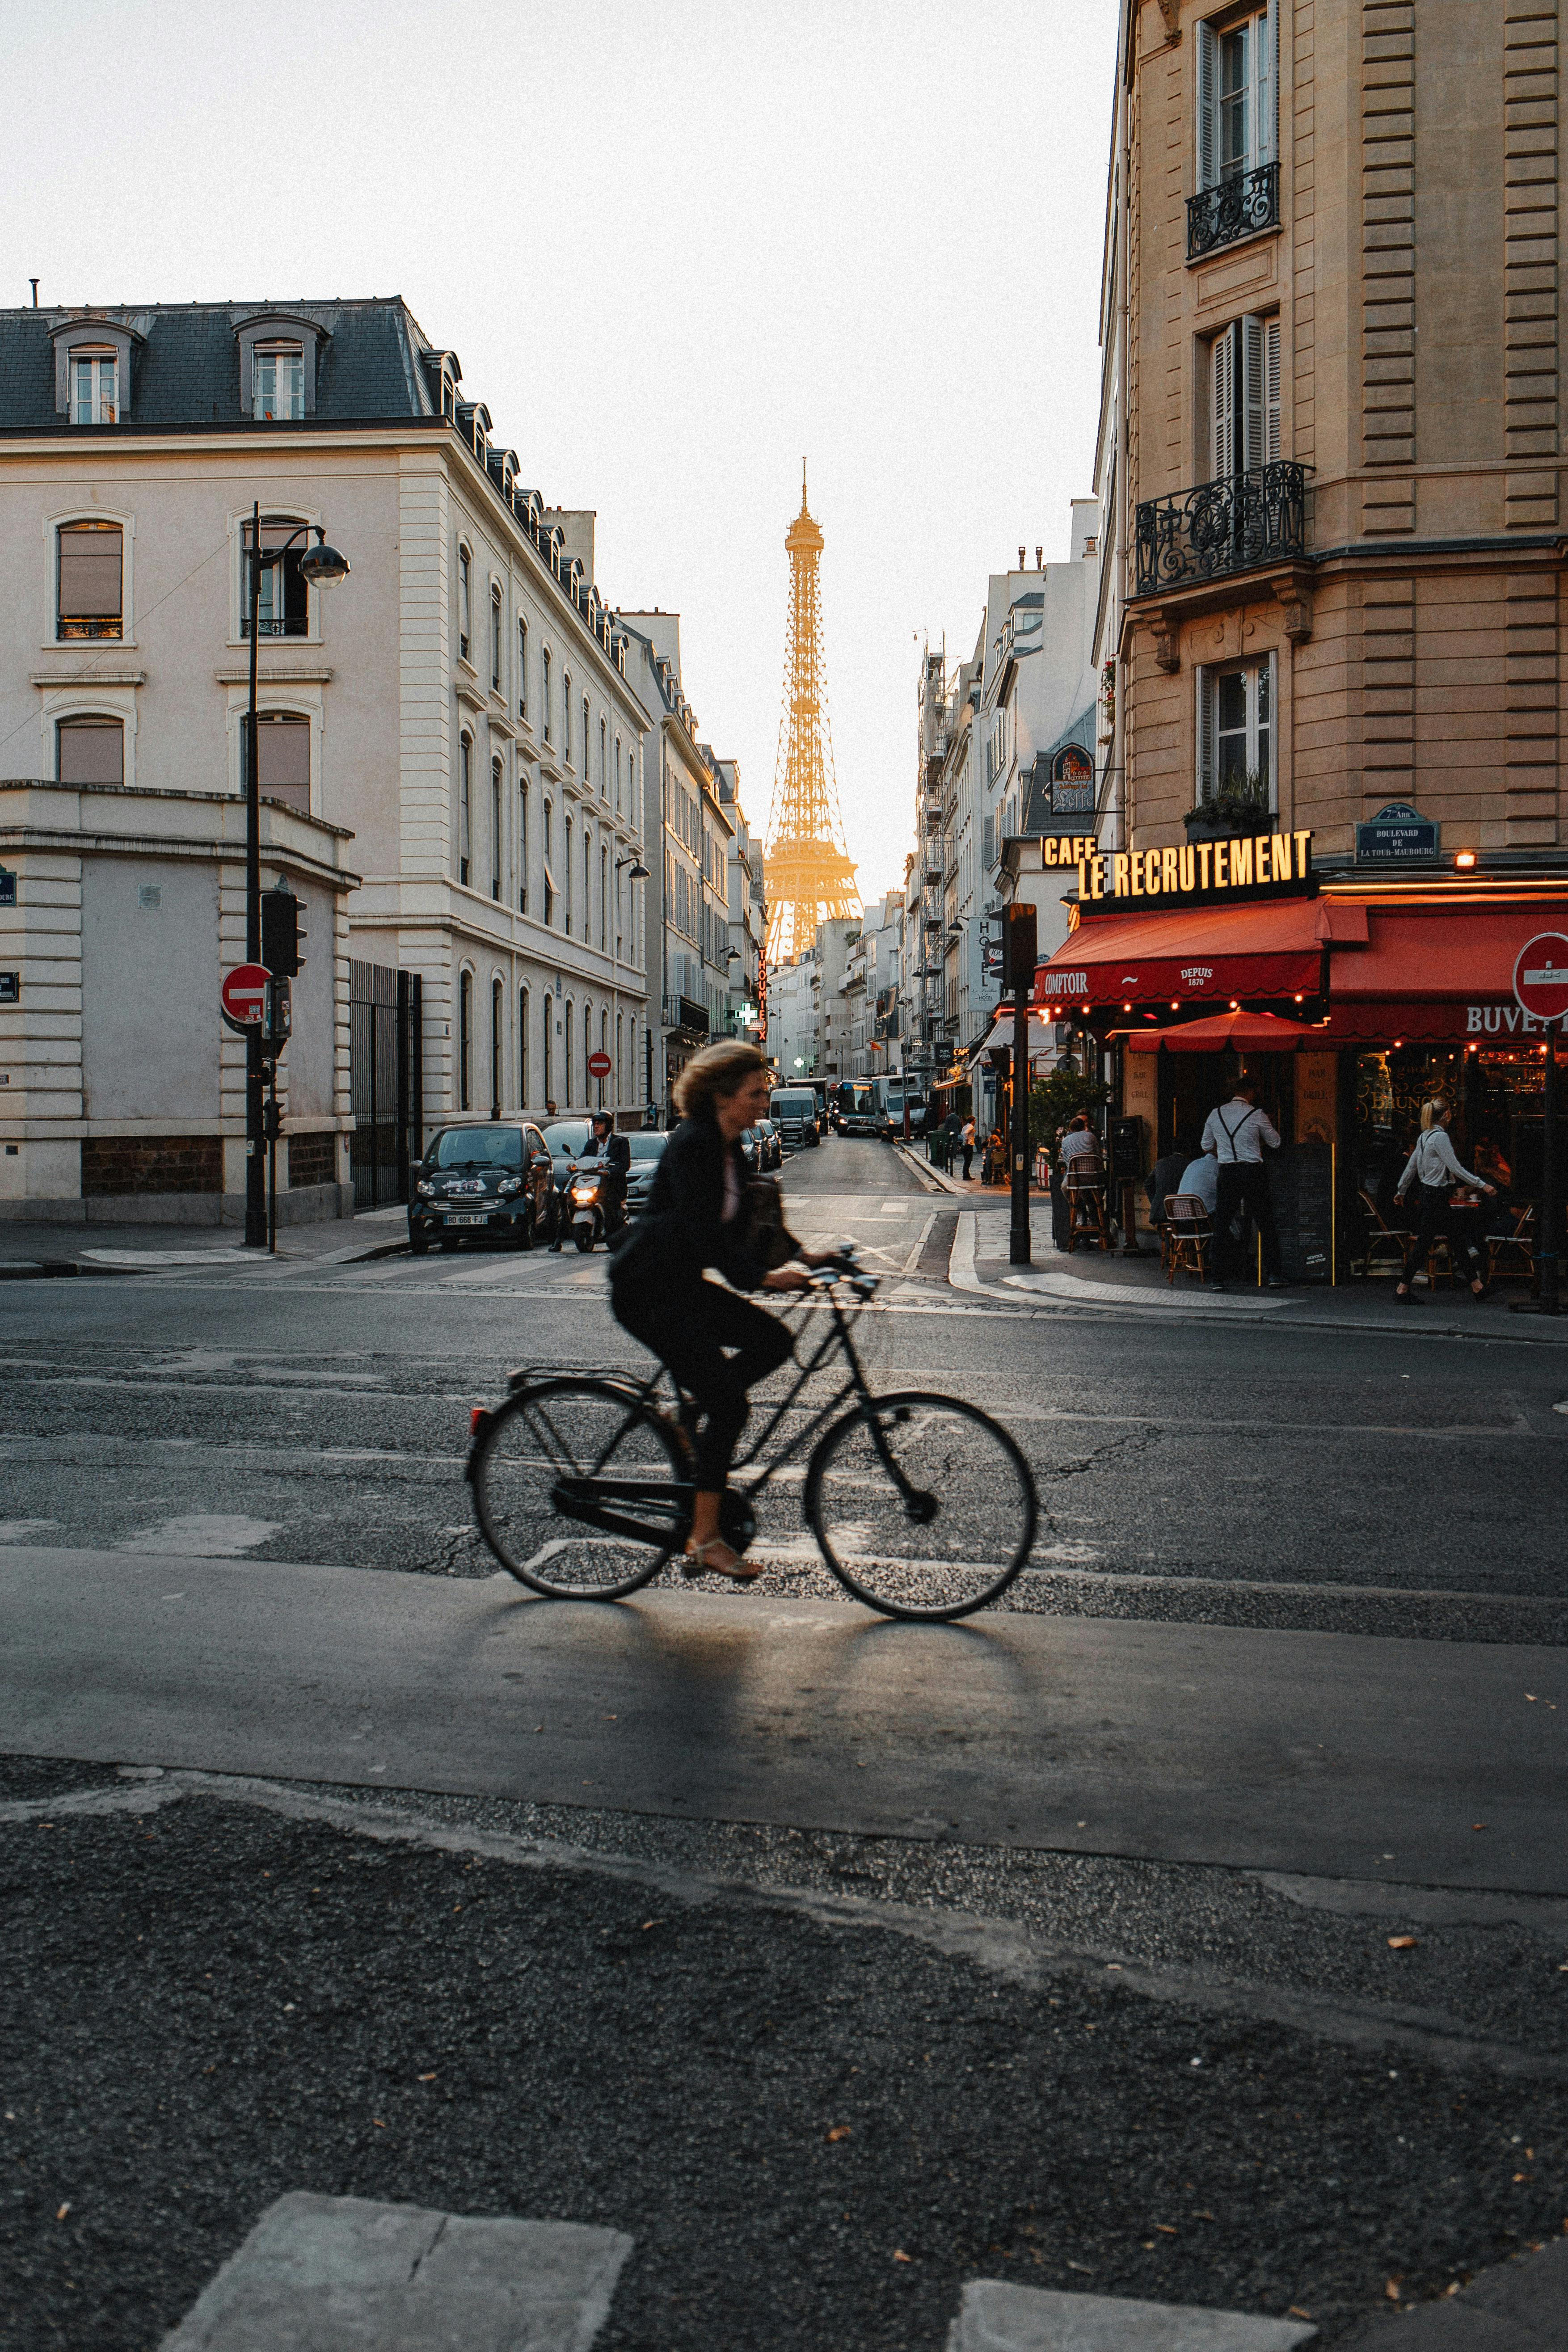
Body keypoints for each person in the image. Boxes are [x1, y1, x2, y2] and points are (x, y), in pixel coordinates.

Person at [610, 1040, 836, 1581]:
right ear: (721, 1095)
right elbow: (704, 1235)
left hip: (682, 1286)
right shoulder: (694, 1145)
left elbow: (758, 1219)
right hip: (649, 1292)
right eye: (756, 1093)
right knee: (730, 1407)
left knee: (774, 1342)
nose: (765, 1102)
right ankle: (705, 1538)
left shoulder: (730, 1145)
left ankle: (689, 1411)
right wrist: (762, 1278)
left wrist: (808, 1256)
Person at [1392, 1099, 1495, 1303]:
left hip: (1429, 1196)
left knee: (1454, 1240)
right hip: (1438, 1197)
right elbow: (1455, 1168)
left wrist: (1401, 1191)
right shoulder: (1440, 1137)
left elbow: (1411, 1167)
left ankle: (1477, 1287)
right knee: (1430, 1244)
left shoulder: (1424, 1137)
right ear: (1446, 1115)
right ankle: (1402, 1290)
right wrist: (1483, 1185)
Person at [1200, 1078, 1283, 1289]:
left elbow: (1206, 1145)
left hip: (1228, 1171)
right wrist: (1256, 1142)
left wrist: (1226, 1152)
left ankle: (1217, 1278)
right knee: (1265, 1222)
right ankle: (1274, 1275)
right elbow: (1276, 1142)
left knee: (1222, 1222)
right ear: (1251, 1093)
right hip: (1253, 1171)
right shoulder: (1257, 1115)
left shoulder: (1215, 1114)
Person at [578, 1110, 630, 1241]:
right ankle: (559, 1238)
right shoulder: (591, 1144)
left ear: (609, 1126)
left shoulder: (620, 1142)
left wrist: (609, 1172)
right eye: (595, 1124)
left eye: (600, 1124)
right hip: (592, 1183)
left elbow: (624, 1165)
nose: (596, 1126)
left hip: (611, 1184)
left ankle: (612, 1231)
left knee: (610, 1203)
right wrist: (574, 1166)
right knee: (566, 1196)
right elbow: (583, 1159)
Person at [960, 1115, 976, 1181]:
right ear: (973, 1121)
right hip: (969, 1145)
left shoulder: (966, 1126)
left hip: (965, 1145)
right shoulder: (971, 1127)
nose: (975, 1122)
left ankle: (966, 1174)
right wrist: (967, 1140)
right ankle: (966, 1175)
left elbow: (962, 1133)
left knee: (966, 1160)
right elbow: (966, 1133)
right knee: (968, 1160)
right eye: (975, 1121)